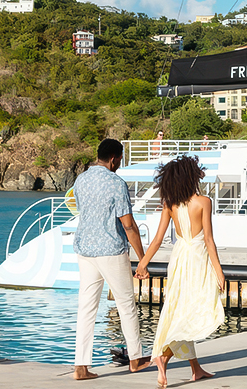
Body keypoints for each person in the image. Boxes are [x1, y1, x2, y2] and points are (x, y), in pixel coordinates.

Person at [135, 155, 225, 388]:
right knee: (192, 312)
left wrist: (142, 263)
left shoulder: (170, 204)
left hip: (178, 259)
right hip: (197, 260)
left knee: (178, 308)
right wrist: (219, 272)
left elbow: (156, 240)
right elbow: (208, 240)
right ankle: (163, 356)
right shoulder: (204, 201)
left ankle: (195, 369)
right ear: (191, 177)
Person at [72, 138, 151, 380]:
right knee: (126, 303)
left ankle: (81, 367)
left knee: (86, 307)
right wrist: (142, 259)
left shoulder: (80, 180)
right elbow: (128, 225)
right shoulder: (116, 183)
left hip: (85, 249)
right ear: (115, 159)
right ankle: (136, 359)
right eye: (120, 160)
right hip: (110, 250)